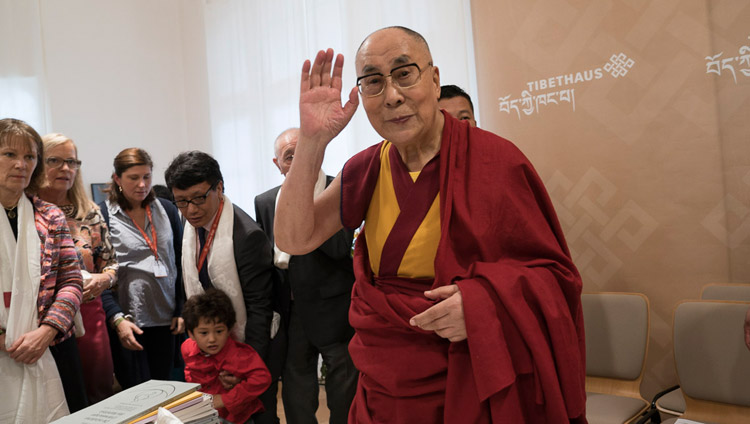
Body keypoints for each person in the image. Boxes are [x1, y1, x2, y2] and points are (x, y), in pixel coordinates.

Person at [274, 27, 587, 423]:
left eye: (405, 73)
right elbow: (293, 238)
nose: (391, 96)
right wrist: (313, 140)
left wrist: (484, 306)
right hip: (385, 383)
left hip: (471, 377)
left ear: (434, 79)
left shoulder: (497, 162)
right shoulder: (367, 168)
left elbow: (557, 279)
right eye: (373, 82)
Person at [164, 150, 276, 422]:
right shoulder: (191, 220)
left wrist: (246, 368)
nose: (191, 210)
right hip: (215, 345)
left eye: (199, 198)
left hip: (250, 348)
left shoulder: (247, 236)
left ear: (220, 188)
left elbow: (261, 309)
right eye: (181, 202)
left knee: (258, 414)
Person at [255, 128, 358, 424]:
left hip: (334, 309)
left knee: (343, 388)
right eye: (290, 156)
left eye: (304, 151)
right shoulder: (265, 202)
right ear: (278, 164)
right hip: (291, 311)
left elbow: (340, 249)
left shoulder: (337, 189)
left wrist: (307, 202)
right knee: (297, 389)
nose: (298, 160)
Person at [0, 118, 82, 422]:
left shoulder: (50, 215)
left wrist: (46, 332)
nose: (21, 164)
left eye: (30, 156)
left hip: (49, 345)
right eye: (10, 154)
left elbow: (71, 281)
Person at [37, 133, 118, 404]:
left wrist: (103, 279)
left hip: (90, 314)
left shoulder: (89, 213)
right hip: (41, 319)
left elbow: (113, 264)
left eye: (72, 162)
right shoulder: (26, 213)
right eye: (55, 161)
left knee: (99, 393)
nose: (65, 168)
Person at [100, 147, 184, 388]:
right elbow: (100, 271)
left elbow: (179, 261)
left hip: (166, 318)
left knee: (165, 387)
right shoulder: (104, 214)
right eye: (133, 178)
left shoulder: (167, 208)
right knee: (135, 391)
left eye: (146, 176)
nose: (142, 184)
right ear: (117, 179)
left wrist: (180, 307)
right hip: (128, 320)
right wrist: (114, 316)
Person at [182, 288, 272, 424]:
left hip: (236, 417)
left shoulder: (238, 355)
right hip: (204, 412)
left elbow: (262, 378)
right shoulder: (187, 348)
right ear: (191, 334)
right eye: (204, 333)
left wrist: (226, 399)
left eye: (219, 331)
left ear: (229, 329)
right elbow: (189, 371)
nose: (212, 339)